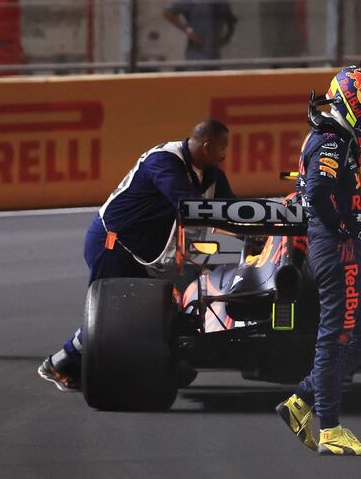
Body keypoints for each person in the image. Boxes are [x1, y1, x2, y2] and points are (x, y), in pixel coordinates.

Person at [38, 119, 235, 391]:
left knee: (156, 310)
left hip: (148, 254)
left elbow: (233, 211)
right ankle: (59, 362)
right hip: (114, 243)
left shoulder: (213, 175)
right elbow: (188, 204)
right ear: (208, 146)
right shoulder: (164, 161)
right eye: (222, 149)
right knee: (114, 315)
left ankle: (161, 360)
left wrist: (258, 232)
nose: (225, 156)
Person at [276, 63, 361, 456]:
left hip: (344, 246)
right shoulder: (331, 141)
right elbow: (315, 193)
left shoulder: (337, 137)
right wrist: (345, 231)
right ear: (353, 102)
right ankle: (329, 427)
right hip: (336, 248)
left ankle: (301, 402)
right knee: (337, 336)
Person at [164, 0, 237, 68]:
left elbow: (231, 21)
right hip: (196, 55)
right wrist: (189, 31)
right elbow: (168, 12)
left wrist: (225, 38)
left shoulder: (221, 0)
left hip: (214, 55)